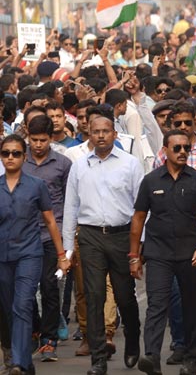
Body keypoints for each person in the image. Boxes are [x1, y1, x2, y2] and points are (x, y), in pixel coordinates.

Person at [129, 130, 196, 375]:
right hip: (158, 253)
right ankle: (152, 357)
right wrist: (134, 256)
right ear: (165, 150)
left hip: (190, 253)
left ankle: (191, 358)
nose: (182, 152)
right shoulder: (151, 180)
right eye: (176, 148)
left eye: (186, 148)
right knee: (157, 304)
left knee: (192, 305)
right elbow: (138, 219)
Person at [62, 113, 144, 375]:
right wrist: (67, 249)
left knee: (124, 296)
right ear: (89, 134)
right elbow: (71, 207)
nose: (100, 135)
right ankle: (98, 359)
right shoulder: (79, 166)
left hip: (122, 237)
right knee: (94, 296)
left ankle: (132, 339)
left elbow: (141, 209)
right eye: (95, 131)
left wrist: (138, 246)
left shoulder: (130, 164)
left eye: (105, 131)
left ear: (114, 134)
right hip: (90, 236)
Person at [0, 135, 70, 375]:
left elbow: (50, 221)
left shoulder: (36, 185)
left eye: (16, 153)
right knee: (9, 308)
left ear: (24, 156)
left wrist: (61, 254)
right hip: (2, 257)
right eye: (6, 153)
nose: (10, 157)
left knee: (22, 304)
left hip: (30, 254)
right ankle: (25, 364)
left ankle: (19, 361)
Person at [22, 115, 72, 363]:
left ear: (51, 138)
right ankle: (35, 326)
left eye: (43, 140)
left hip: (54, 233)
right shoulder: (19, 162)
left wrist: (69, 236)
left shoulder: (63, 164)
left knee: (50, 286)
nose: (38, 145)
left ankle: (49, 340)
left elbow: (69, 199)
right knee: (26, 288)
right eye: (34, 140)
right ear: (27, 137)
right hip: (25, 234)